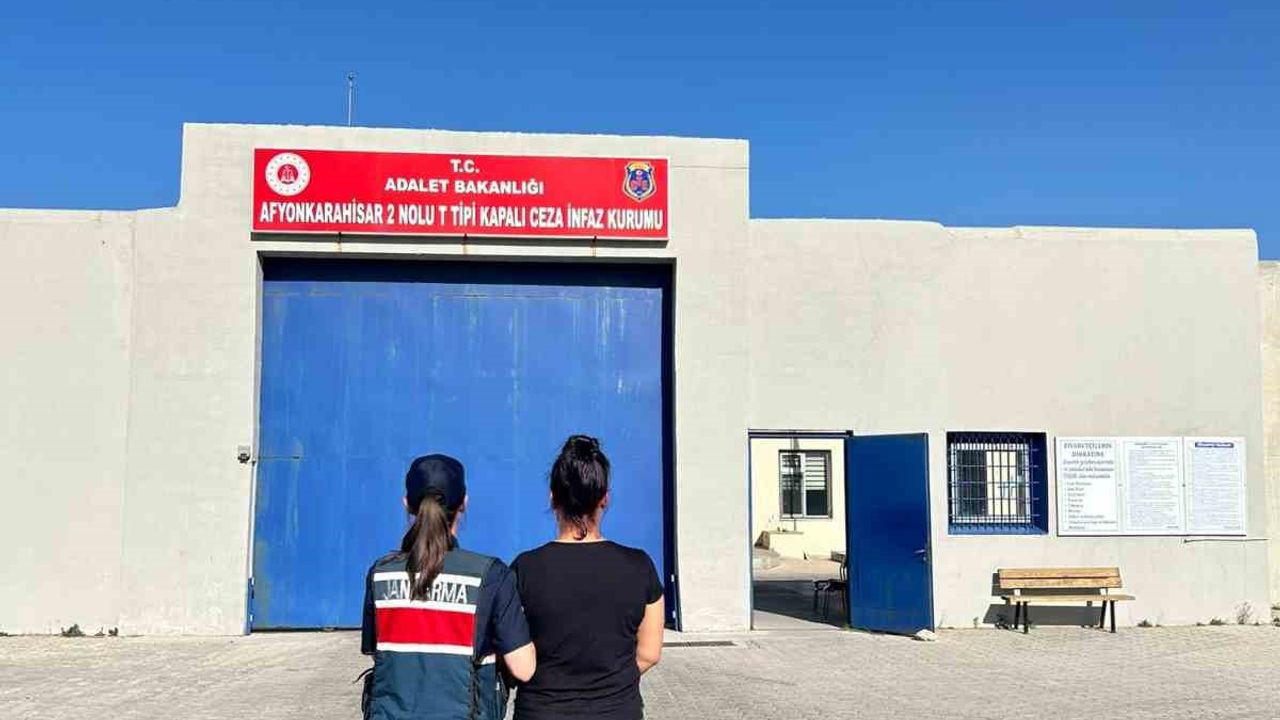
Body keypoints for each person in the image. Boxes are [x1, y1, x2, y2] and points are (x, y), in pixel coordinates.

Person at [361, 454, 536, 720]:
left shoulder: (380, 574)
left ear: (407, 504)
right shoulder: (490, 575)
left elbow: (381, 656)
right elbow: (524, 668)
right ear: (464, 503)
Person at [511, 435, 665, 720]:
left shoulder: (525, 568)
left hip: (542, 711)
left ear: (553, 497)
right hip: (617, 711)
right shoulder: (639, 566)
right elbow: (649, 654)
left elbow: (512, 651)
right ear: (604, 497)